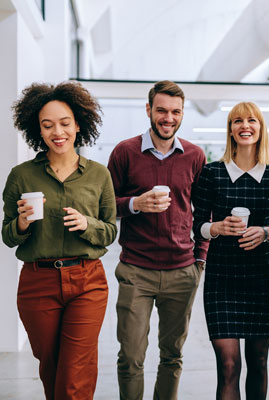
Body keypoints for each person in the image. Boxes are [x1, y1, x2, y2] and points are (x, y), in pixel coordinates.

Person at [2, 82, 117, 400]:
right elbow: (7, 235)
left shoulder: (98, 175)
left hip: (87, 281)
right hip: (38, 284)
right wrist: (22, 223)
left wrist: (87, 224)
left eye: (65, 123)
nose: (57, 132)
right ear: (37, 129)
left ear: (78, 124)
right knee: (51, 368)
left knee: (75, 373)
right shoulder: (22, 176)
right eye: (47, 125)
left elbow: (110, 230)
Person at [107, 80, 209, 400]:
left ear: (182, 114)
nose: (168, 118)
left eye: (175, 112)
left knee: (172, 355)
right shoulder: (125, 152)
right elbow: (106, 204)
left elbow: (205, 211)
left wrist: (201, 258)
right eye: (162, 110)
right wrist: (136, 204)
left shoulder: (194, 155)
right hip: (136, 269)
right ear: (149, 110)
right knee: (131, 357)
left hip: (182, 270)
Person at [193, 102, 269, 400]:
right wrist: (217, 228)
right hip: (222, 277)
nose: (245, 126)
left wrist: (267, 232)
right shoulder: (212, 173)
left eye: (251, 121)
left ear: (260, 128)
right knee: (229, 365)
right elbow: (197, 227)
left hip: (260, 277)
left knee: (258, 363)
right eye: (237, 121)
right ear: (230, 129)